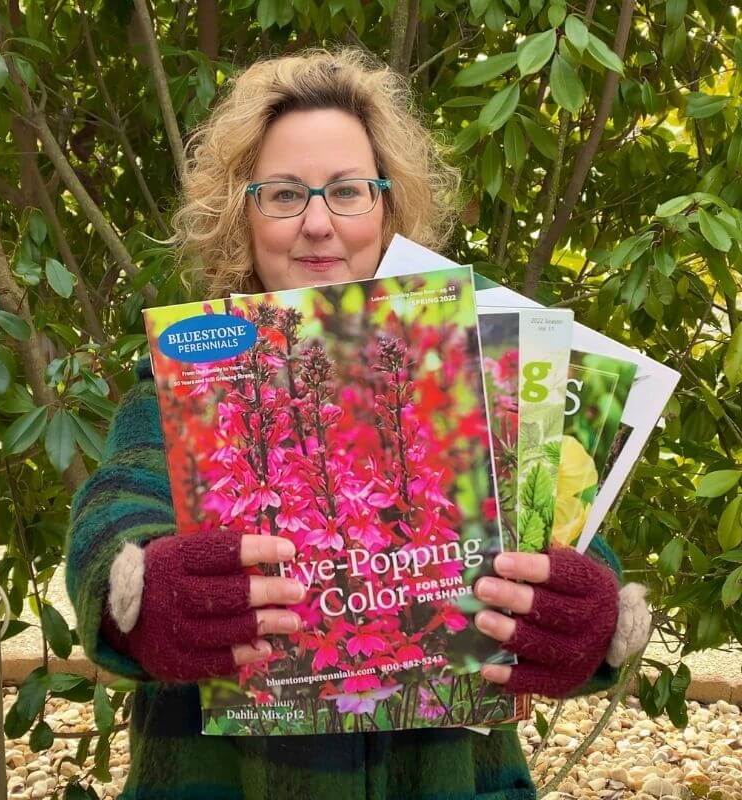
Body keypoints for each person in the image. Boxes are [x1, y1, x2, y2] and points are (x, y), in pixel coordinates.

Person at [65, 47, 651, 800]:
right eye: (282, 194)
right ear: (240, 215)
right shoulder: (181, 389)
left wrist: (587, 613)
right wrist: (139, 589)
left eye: (347, 191)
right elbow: (114, 508)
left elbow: (565, 529)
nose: (316, 223)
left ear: (387, 207)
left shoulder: (481, 374)